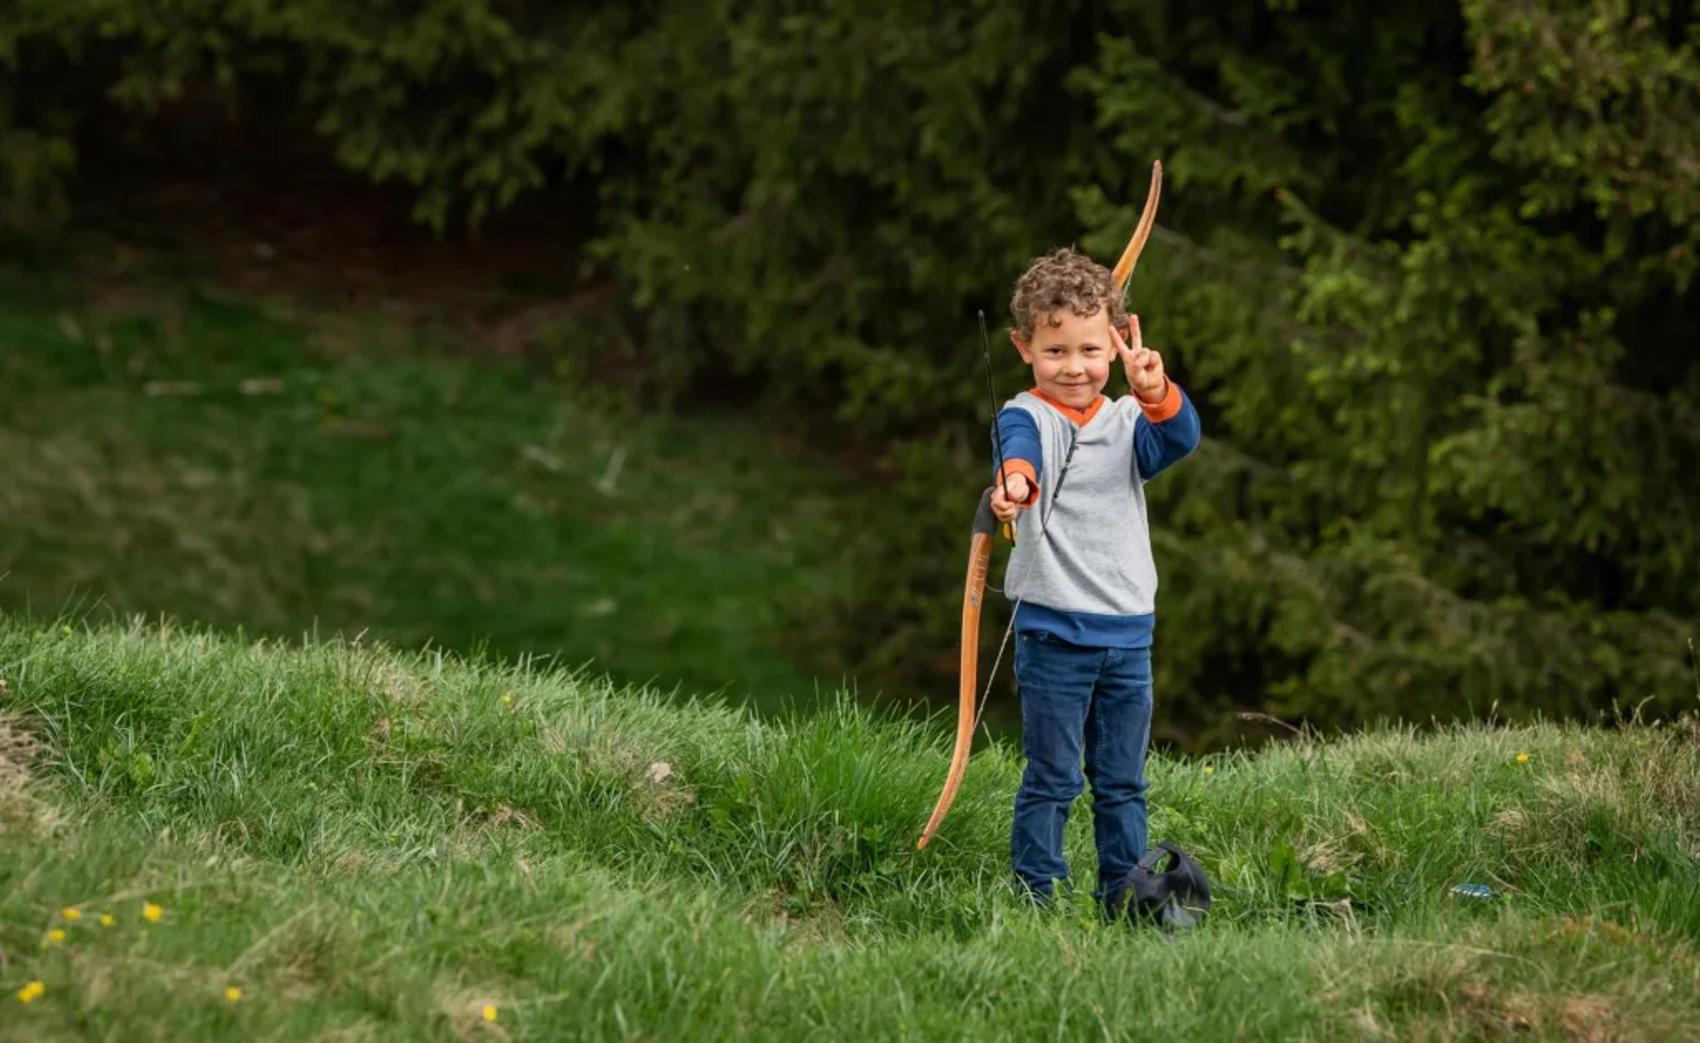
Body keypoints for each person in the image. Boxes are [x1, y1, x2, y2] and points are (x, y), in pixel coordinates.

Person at [989, 246, 1201, 916]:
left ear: (1116, 342)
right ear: (1025, 347)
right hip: (1054, 634)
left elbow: (1180, 440)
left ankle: (1129, 902)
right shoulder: (1025, 413)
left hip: (1127, 633)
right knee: (1052, 778)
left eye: (1089, 349)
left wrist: (1152, 389)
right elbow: (1017, 455)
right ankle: (1037, 900)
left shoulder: (1130, 418)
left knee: (1122, 782)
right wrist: (1014, 486)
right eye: (1056, 351)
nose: (1074, 367)